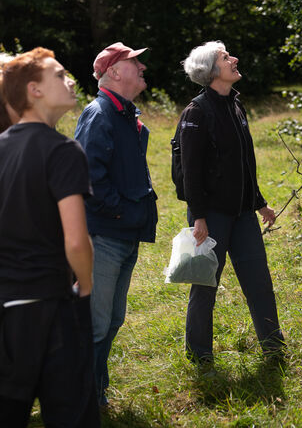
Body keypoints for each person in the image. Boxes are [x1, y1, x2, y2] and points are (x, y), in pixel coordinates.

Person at [0, 48, 99, 427]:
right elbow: (76, 241)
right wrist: (87, 288)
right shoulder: (63, 149)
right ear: (34, 90)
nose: (69, 81)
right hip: (51, 309)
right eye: (58, 75)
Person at [178, 40, 285, 365]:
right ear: (211, 71)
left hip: (242, 215)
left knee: (260, 283)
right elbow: (190, 173)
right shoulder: (197, 112)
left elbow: (244, 162)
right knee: (205, 284)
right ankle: (199, 356)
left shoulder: (236, 106)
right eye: (226, 58)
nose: (234, 59)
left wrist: (259, 203)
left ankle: (274, 350)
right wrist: (198, 217)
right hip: (210, 217)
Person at [75, 41, 158, 406]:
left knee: (111, 321)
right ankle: (82, 398)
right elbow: (87, 177)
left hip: (125, 233)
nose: (142, 67)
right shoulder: (99, 113)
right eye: (133, 62)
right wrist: (122, 211)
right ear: (113, 72)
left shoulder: (125, 113)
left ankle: (96, 391)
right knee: (94, 325)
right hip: (105, 235)